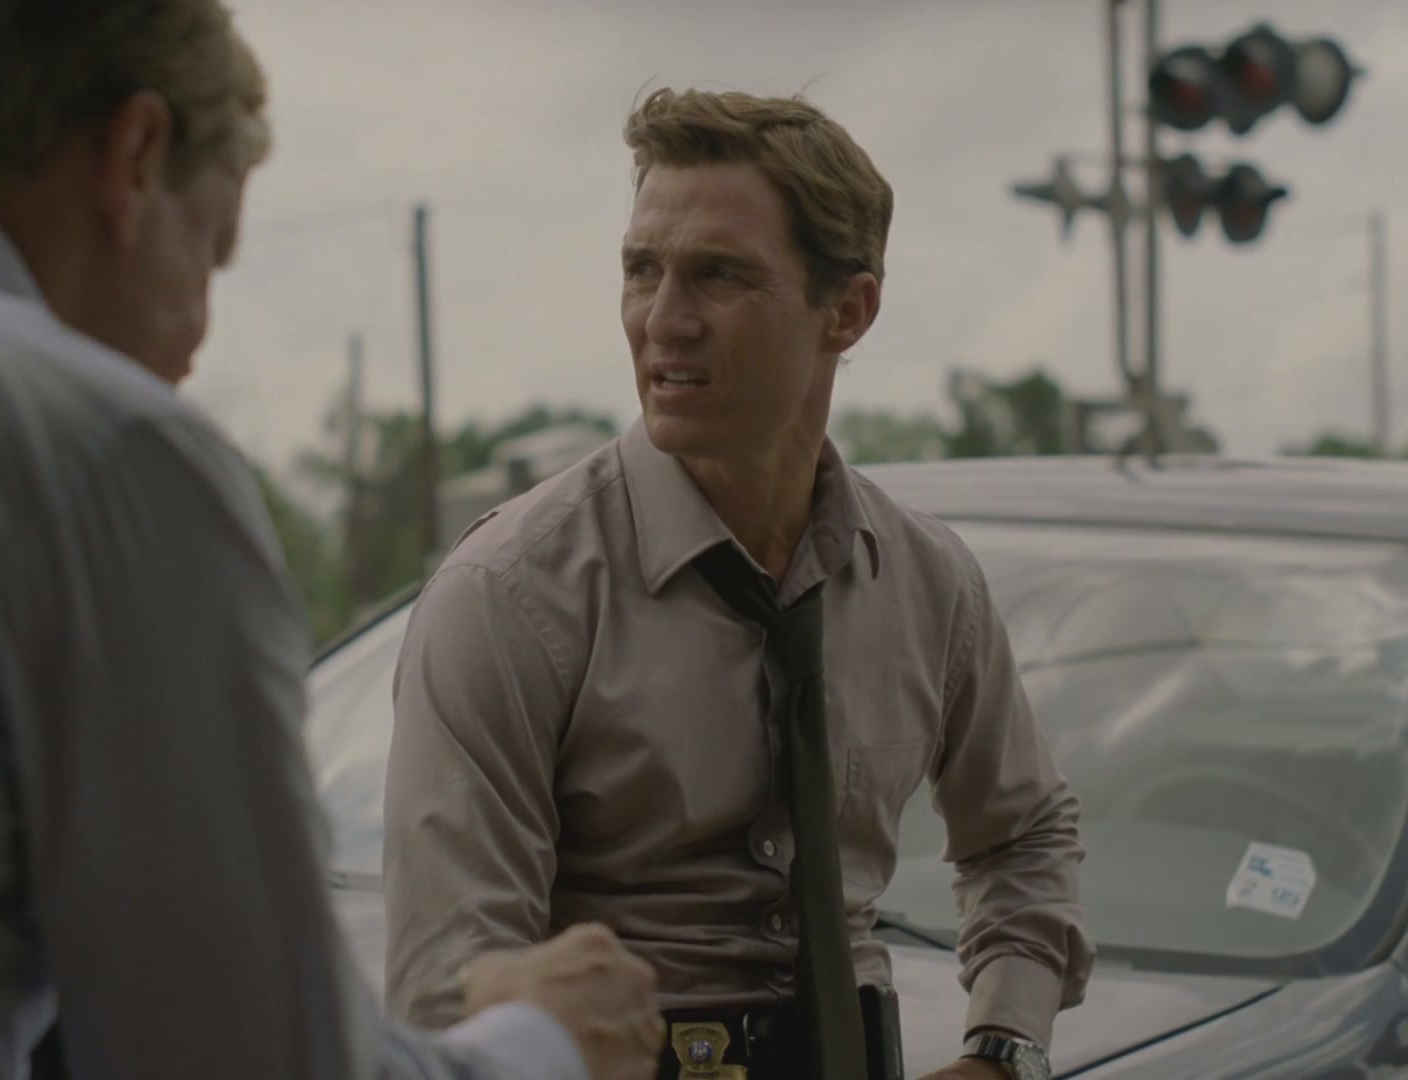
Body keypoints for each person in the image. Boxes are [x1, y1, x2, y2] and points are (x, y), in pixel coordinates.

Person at [0, 3, 664, 1078]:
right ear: (136, 154)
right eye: (210, 250)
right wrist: (543, 1043)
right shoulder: (92, 446)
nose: (194, 340)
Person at [382, 88, 1096, 1080]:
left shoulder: (927, 584)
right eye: (642, 270)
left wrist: (1003, 1049)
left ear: (847, 311)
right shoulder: (511, 597)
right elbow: (449, 984)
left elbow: (1024, 834)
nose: (663, 321)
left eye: (718, 275)